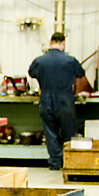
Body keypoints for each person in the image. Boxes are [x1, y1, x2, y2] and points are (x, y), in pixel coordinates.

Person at [29, 32, 85, 170]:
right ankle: (70, 162)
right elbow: (81, 73)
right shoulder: (70, 60)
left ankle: (55, 163)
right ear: (63, 43)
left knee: (50, 132)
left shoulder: (40, 61)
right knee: (68, 132)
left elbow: (31, 73)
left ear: (50, 42)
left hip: (46, 100)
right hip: (65, 100)